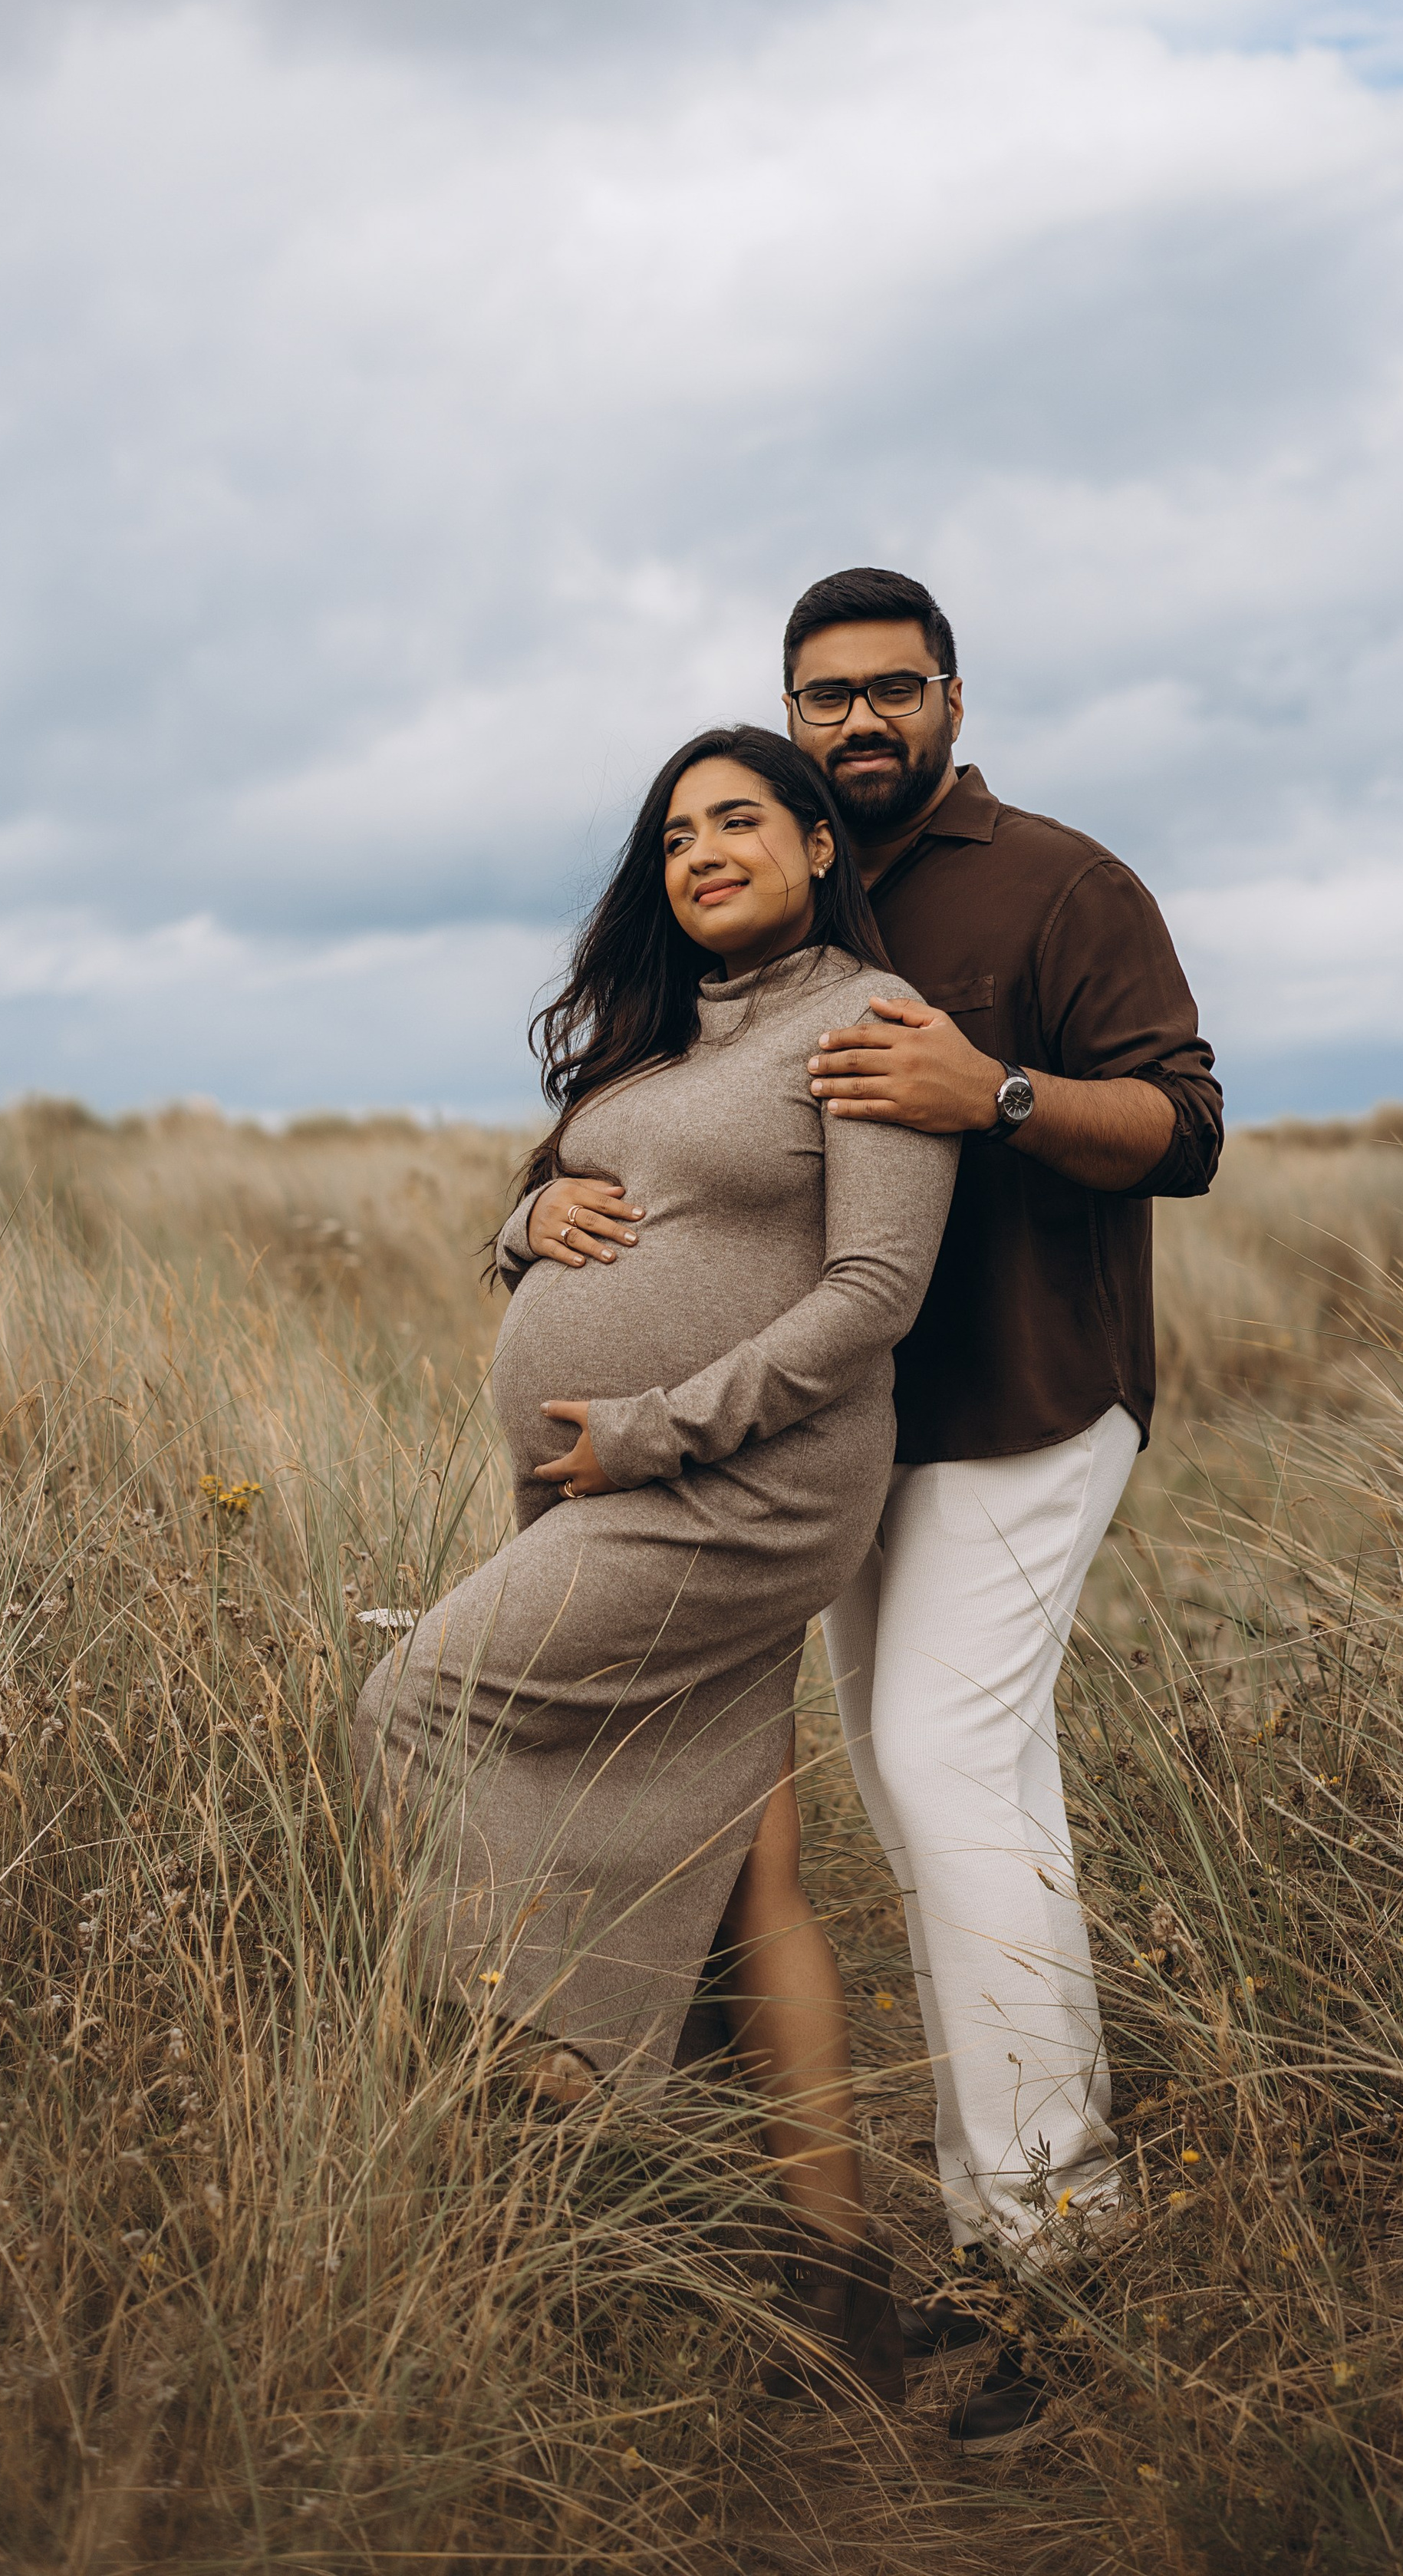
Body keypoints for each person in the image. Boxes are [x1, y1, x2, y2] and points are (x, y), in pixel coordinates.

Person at [548, 569, 1223, 2448]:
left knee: (940, 1771)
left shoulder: (1058, 886)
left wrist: (988, 1088)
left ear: (947, 695)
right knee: (934, 1785)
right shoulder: (787, 897)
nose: (855, 722)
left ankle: (1049, 2262)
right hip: (835, 1450)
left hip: (1021, 1402)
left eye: (888, 691)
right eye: (819, 696)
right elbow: (638, 1126)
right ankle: (961, 2229)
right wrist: (533, 1222)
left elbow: (1185, 1128)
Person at [355, 724, 957, 2404]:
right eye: (676, 832)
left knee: (414, 1705)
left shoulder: (866, 1025)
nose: (702, 852)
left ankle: (560, 2090)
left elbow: (867, 1299)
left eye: (740, 821)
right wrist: (521, 1225)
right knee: (748, 1876)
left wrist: (650, 1432)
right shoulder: (657, 1046)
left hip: (733, 1495)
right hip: (604, 1490)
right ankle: (835, 2298)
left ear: (818, 846)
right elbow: (574, 1207)